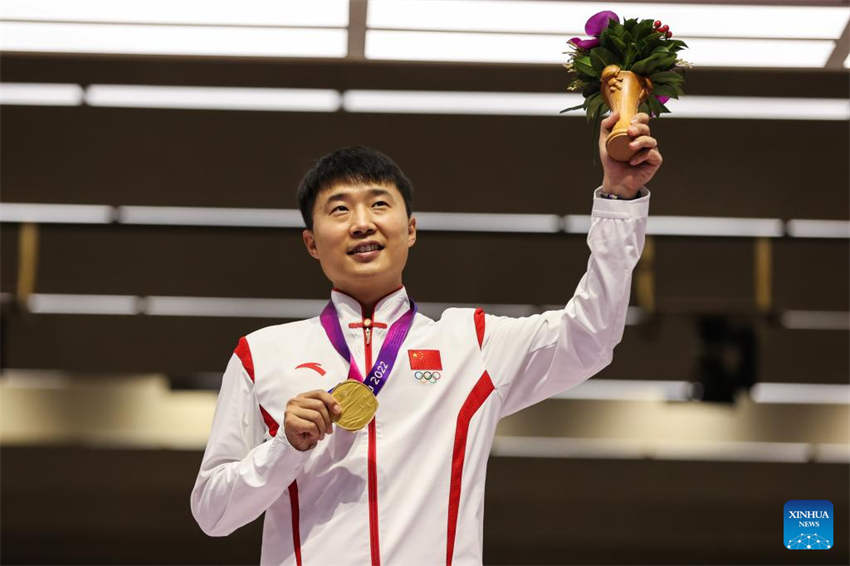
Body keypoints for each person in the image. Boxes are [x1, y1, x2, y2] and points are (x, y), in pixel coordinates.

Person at [190, 110, 662, 565]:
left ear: (411, 229)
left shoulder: (472, 346)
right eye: (339, 209)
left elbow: (591, 335)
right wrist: (283, 449)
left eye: (379, 204)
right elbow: (212, 513)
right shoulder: (262, 354)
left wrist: (618, 200)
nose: (361, 222)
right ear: (311, 242)